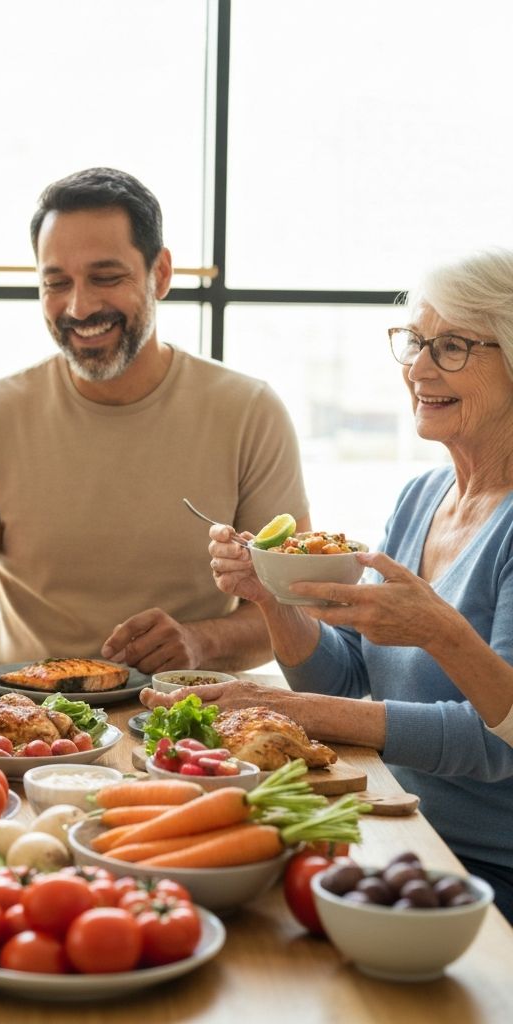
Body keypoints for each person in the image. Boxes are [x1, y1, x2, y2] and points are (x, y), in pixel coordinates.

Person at [154, 248, 513, 922]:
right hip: (396, 832)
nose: (419, 369)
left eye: (454, 347)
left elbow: (496, 738)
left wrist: (304, 714)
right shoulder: (421, 498)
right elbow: (347, 678)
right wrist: (269, 598)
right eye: (416, 342)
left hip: (483, 871)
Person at [0, 167, 309, 672]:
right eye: (56, 282)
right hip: (23, 723)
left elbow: (293, 610)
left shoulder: (251, 412)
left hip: (186, 717)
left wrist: (200, 641)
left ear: (160, 274)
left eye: (106, 277)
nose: (79, 306)